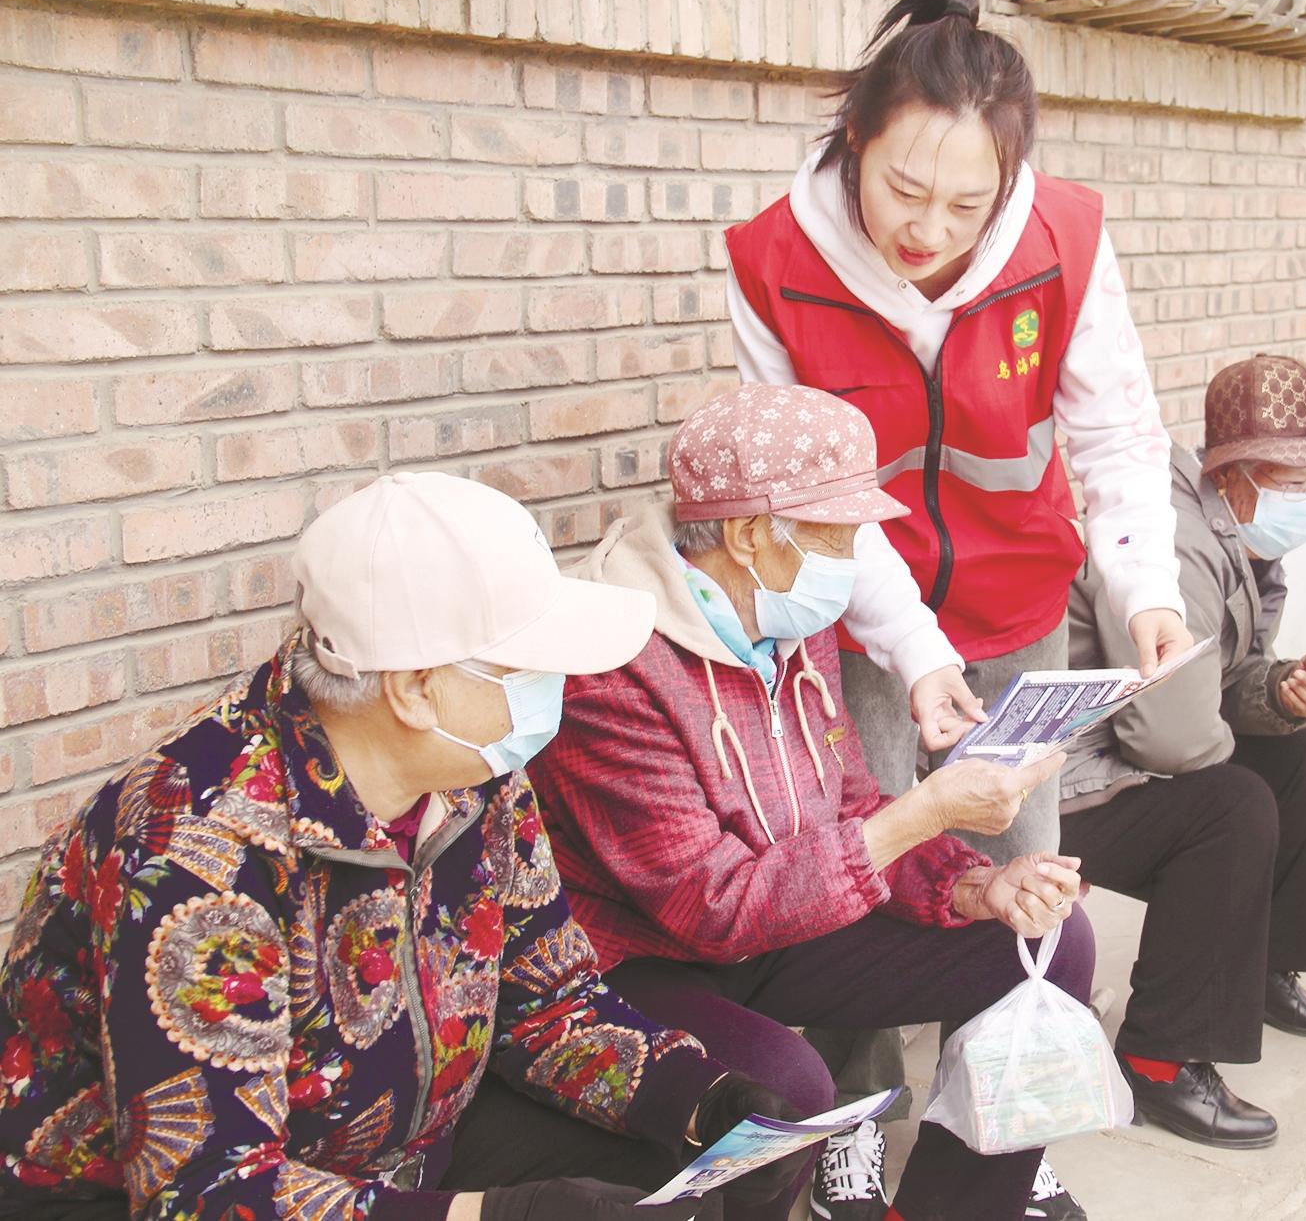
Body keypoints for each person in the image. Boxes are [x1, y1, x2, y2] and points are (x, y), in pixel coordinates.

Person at [0, 472, 808, 1221]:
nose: (559, 688)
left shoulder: (475, 776)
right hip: (151, 1200)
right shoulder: (197, 851)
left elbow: (549, 999)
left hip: (402, 1153)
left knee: (676, 1168)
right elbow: (209, 1191)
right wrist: (488, 1216)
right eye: (530, 667)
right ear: (417, 689)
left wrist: (698, 1099)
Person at [722, 0, 1188, 1213]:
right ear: (854, 141)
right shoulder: (774, 260)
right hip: (859, 624)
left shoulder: (1065, 238)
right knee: (863, 883)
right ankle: (854, 1129)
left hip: (1022, 613)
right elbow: (822, 496)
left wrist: (1145, 583)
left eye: (967, 204)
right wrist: (916, 651)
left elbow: (1118, 433)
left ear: (1011, 180)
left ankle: (1003, 1144)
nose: (929, 228)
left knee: (1021, 885)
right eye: (904, 190)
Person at [528, 386, 1098, 1221]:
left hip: (778, 916)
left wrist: (976, 886)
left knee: (1043, 935)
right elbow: (710, 907)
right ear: (749, 534)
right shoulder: (613, 664)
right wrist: (928, 812)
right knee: (784, 1089)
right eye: (839, 534)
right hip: (646, 956)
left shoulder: (786, 615)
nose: (856, 556)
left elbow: (848, 799)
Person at [1059, 355, 1306, 1151]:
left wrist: (1275, 692)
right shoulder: (1179, 541)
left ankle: (1262, 967)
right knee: (1233, 809)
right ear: (1237, 474)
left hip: (1124, 743)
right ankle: (1160, 1057)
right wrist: (1233, 740)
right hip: (1062, 783)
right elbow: (1173, 736)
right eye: (1300, 482)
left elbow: (1221, 677)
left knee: (1293, 752)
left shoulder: (1234, 529)